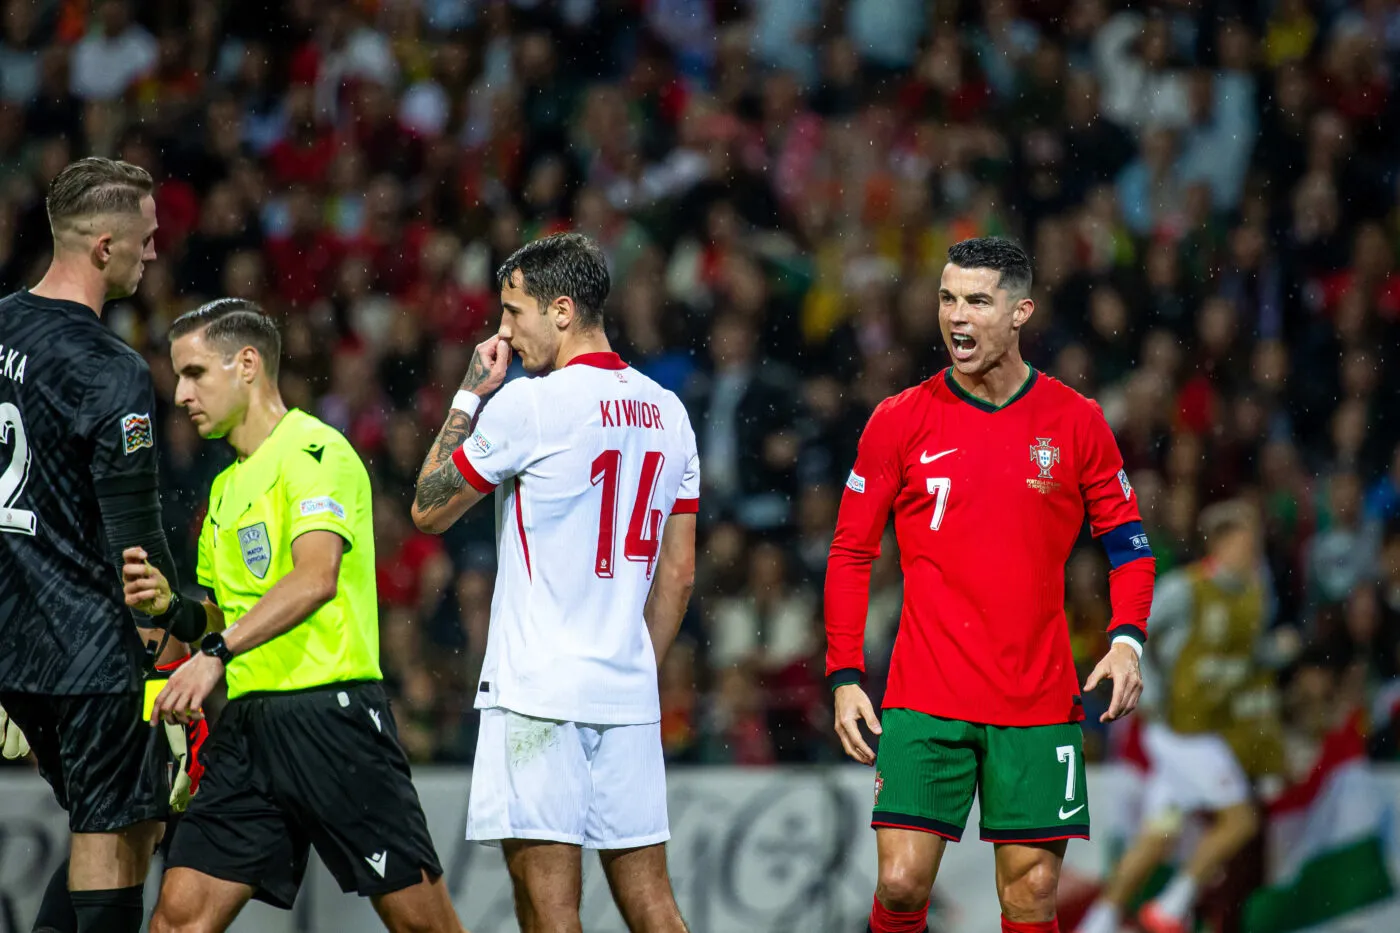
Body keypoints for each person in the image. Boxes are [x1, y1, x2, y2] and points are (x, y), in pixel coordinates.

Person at [824, 237, 1158, 933]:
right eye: (948, 298)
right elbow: (852, 549)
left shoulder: (1076, 421)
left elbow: (1129, 545)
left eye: (978, 300)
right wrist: (845, 671)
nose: (957, 316)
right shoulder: (899, 419)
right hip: (924, 693)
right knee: (901, 881)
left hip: (1037, 698)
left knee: (1032, 896)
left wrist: (1127, 639)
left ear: (1020, 312)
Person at [119, 298, 465, 933]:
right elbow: (223, 615)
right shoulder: (223, 489)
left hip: (330, 716)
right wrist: (174, 610)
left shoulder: (315, 452)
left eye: (194, 373)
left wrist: (212, 656)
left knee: (425, 926)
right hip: (249, 730)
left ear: (246, 364)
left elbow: (315, 579)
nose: (180, 393)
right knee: (176, 919)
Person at [411, 232, 697, 933]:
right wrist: (631, 669)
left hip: (539, 691)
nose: (503, 330)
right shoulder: (670, 411)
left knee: (549, 907)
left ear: (562, 309)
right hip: (626, 690)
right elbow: (680, 571)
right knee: (653, 903)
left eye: (514, 312)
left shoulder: (528, 405)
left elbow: (427, 506)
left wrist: (470, 395)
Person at [0, 156, 202, 933]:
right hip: (85, 648)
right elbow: (137, 541)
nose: (154, 255)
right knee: (111, 833)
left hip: (14, 649)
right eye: (145, 241)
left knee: (131, 819)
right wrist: (173, 640)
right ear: (104, 248)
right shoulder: (109, 369)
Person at [1076, 501, 1279, 933]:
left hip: (1208, 731)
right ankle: (1171, 906)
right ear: (1221, 544)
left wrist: (1277, 653)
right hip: (1181, 733)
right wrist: (1149, 689)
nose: (1251, 554)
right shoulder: (1184, 589)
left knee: (1158, 834)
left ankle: (1099, 920)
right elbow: (1134, 632)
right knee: (1241, 818)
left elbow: (1245, 658)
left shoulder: (1255, 594)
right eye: (1244, 544)